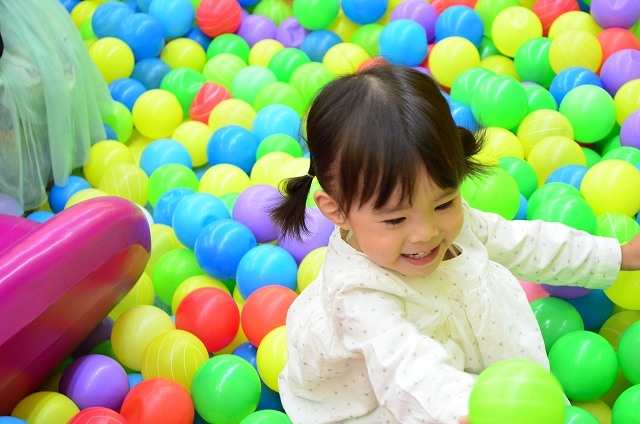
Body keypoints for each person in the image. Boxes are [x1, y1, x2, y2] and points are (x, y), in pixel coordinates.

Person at [269, 64, 640, 424]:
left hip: (464, 346)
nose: (425, 233)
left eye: (444, 203)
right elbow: (409, 371)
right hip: (382, 391)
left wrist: (618, 254)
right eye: (395, 219)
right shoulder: (359, 297)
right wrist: (471, 409)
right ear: (338, 212)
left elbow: (526, 242)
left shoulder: (437, 216)